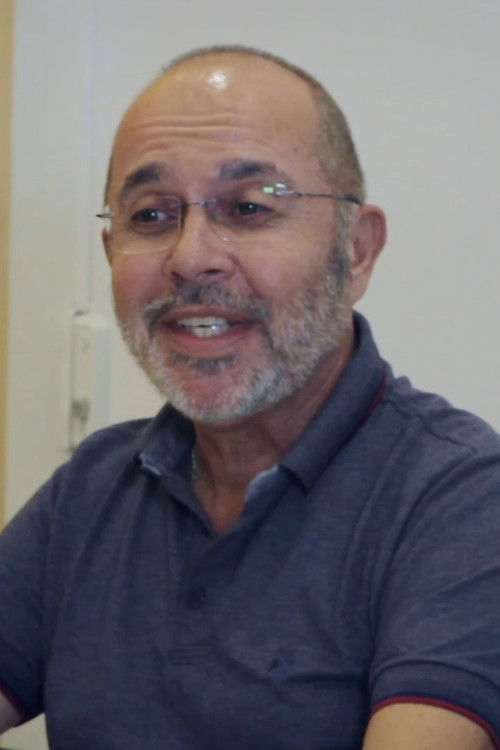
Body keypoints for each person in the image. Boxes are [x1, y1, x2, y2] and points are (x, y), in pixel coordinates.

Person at [0, 45, 499, 750]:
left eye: (248, 207)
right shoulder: (92, 488)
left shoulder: (462, 496)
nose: (190, 257)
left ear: (356, 250)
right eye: (151, 215)